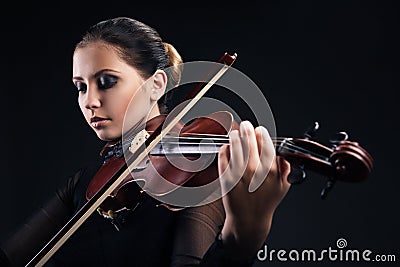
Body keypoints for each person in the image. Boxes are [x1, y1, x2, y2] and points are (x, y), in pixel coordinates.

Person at [0, 17, 291, 266]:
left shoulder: (187, 175)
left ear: (157, 84)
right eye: (80, 87)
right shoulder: (88, 182)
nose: (89, 101)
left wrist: (241, 240)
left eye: (106, 82)